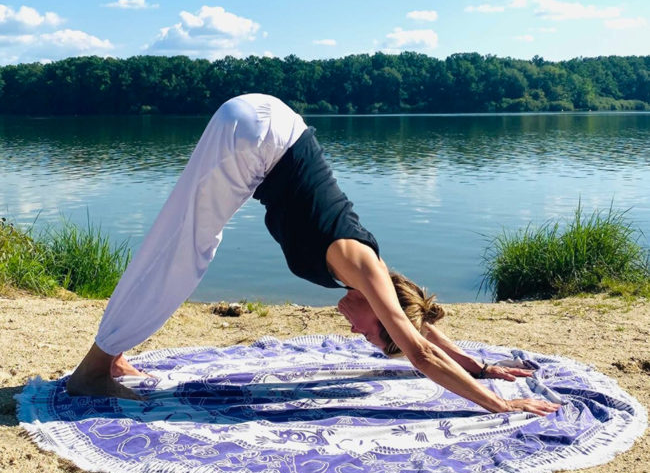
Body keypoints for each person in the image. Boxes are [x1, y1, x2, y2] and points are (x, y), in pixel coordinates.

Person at [67, 94, 560, 417]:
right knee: (186, 251)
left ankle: (114, 354)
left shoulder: (371, 276)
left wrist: (479, 366)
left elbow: (417, 323)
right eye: (371, 334)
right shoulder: (360, 265)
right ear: (380, 313)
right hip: (261, 139)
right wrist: (498, 405)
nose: (357, 333)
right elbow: (419, 350)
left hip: (266, 130)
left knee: (180, 240)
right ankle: (92, 372)